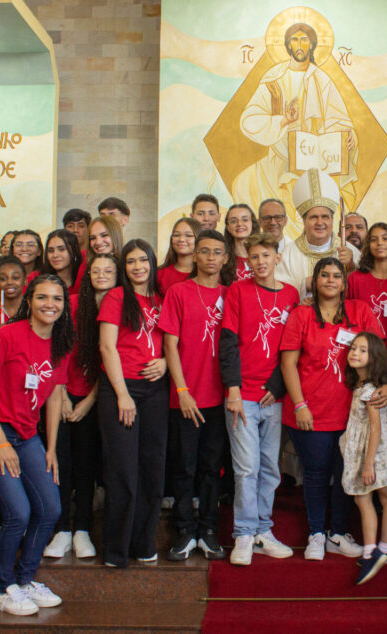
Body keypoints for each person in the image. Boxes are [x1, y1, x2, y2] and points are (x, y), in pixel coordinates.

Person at [0, 275, 71, 616]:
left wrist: (51, 448)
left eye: (57, 298)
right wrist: (0, 443)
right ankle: (3, 587)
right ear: (29, 300)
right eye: (42, 297)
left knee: (50, 509)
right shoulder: (6, 335)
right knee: (18, 512)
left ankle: (26, 580)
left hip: (28, 436)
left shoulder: (61, 343)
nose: (50, 304)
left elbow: (54, 397)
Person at [280, 257, 385, 561]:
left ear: (344, 281)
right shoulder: (301, 315)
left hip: (352, 413)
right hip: (309, 411)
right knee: (315, 473)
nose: (329, 280)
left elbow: (377, 355)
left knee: (345, 473)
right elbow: (288, 363)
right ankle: (315, 533)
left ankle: (337, 534)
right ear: (314, 281)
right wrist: (300, 405)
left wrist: (383, 388)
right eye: (323, 275)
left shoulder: (360, 311)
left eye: (336, 275)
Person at [219, 233, 299, 565]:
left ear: (277, 258)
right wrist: (233, 389)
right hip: (244, 395)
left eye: (266, 255)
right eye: (254, 257)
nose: (260, 262)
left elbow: (294, 347)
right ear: (247, 262)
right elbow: (227, 342)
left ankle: (264, 530)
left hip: (273, 397)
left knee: (269, 468)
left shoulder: (291, 295)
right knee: (246, 467)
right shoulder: (238, 290)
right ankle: (243, 534)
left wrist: (278, 386)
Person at [232, 22, 357, 217]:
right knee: (243, 184)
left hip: (315, 164)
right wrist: (282, 121)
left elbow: (339, 119)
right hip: (281, 160)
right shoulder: (274, 79)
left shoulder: (322, 80)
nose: (299, 45)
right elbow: (249, 119)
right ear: (288, 45)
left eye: (304, 40)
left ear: (312, 44)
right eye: (295, 40)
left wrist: (349, 136)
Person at [96, 240, 167, 567]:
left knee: (152, 467)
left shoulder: (162, 298)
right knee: (123, 469)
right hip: (121, 389)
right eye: (131, 262)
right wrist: (122, 394)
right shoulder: (117, 297)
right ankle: (116, 549)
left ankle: (143, 542)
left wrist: (165, 362)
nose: (138, 267)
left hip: (155, 389)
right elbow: (107, 348)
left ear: (153, 263)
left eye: (143, 260)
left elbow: (171, 342)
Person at [160, 230, 229, 561]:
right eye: (205, 251)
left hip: (220, 398)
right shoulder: (178, 292)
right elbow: (169, 345)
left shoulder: (232, 295)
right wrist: (183, 390)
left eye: (218, 252)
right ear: (195, 256)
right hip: (185, 397)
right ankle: (185, 530)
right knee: (184, 466)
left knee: (212, 467)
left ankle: (209, 530)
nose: (211, 257)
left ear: (225, 258)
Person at [44, 254, 118, 560]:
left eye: (108, 271)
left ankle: (83, 529)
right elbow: (54, 346)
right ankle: (62, 529)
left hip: (96, 396)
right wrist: (60, 392)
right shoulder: (72, 303)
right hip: (60, 391)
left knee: (88, 463)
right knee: (61, 461)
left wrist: (90, 400)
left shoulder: (119, 307)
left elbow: (112, 358)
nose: (101, 275)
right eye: (95, 270)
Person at [342, 332, 387, 585]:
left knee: (384, 495)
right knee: (363, 497)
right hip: (366, 447)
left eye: (362, 350)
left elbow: (375, 429)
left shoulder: (371, 390)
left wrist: (368, 463)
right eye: (353, 348)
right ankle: (373, 549)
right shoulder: (361, 385)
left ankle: (382, 550)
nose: (355, 353)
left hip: (378, 449)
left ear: (374, 356)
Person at [277, 168, 360, 298]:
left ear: (332, 220)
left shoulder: (348, 251)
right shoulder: (289, 253)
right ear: (304, 220)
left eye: (325, 217)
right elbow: (278, 292)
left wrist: (350, 267)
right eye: (313, 217)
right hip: (301, 316)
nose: (320, 222)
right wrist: (304, 284)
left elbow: (363, 290)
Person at [158, 217, 200, 294]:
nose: (181, 239)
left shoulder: (205, 273)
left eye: (188, 235)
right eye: (176, 235)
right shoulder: (160, 274)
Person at [224, 203, 258, 283]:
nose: (239, 224)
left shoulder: (264, 255)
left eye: (245, 220)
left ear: (252, 223)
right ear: (228, 227)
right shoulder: (223, 258)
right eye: (233, 221)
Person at [41, 229, 83, 294]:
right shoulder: (39, 279)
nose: (55, 255)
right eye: (51, 250)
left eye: (61, 249)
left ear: (74, 251)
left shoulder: (83, 279)